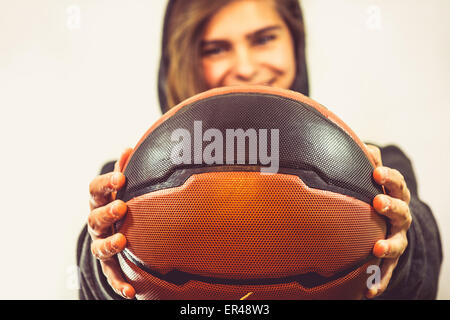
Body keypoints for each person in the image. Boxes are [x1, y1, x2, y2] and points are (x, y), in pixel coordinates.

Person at [77, 0, 442, 300]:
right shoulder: (125, 181)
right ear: (183, 59)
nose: (246, 67)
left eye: (264, 38)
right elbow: (95, 280)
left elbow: (422, 271)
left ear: (295, 45)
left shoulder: (377, 168)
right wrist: (106, 260)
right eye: (216, 49)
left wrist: (400, 245)